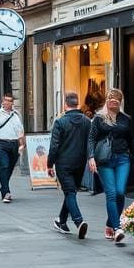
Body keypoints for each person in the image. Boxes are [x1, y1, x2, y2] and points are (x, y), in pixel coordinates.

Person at [87, 88, 134, 243]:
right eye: (111, 101)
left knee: (120, 192)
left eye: (116, 102)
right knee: (111, 193)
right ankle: (117, 228)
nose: (113, 104)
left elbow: (132, 139)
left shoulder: (126, 119)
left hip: (123, 158)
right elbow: (91, 138)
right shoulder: (99, 118)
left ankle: (110, 223)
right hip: (104, 160)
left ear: (120, 102)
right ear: (107, 102)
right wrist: (91, 157)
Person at [48, 92, 90, 239]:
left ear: (65, 104)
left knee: (70, 192)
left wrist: (49, 164)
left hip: (63, 163)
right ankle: (61, 221)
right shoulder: (87, 121)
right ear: (77, 104)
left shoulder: (60, 122)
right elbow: (90, 143)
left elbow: (54, 146)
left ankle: (79, 221)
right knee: (71, 191)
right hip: (80, 163)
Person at [0, 94, 25, 203]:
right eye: (5, 100)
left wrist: (22, 145)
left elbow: (20, 131)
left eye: (9, 101)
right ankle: (6, 192)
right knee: (4, 166)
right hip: (0, 143)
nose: (7, 103)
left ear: (12, 103)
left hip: (13, 143)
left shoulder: (16, 115)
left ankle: (3, 186)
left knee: (10, 167)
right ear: (2, 102)